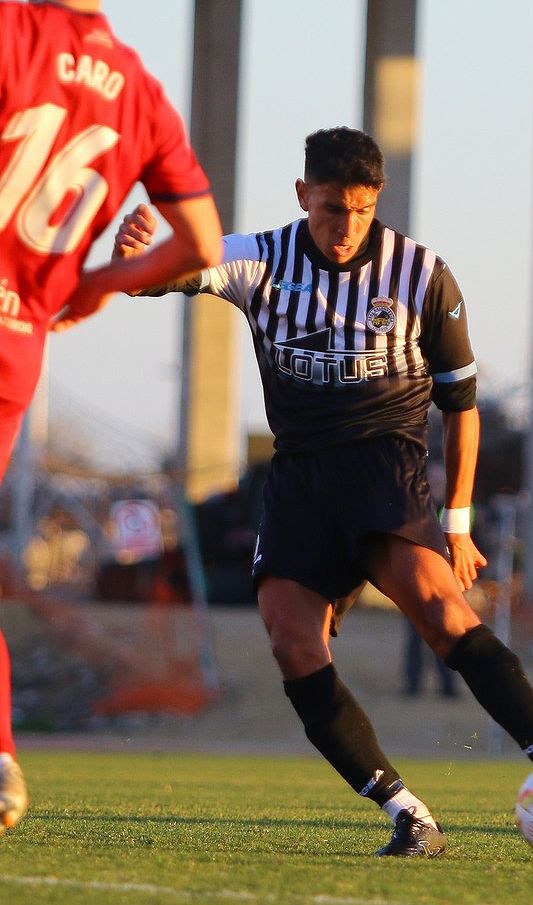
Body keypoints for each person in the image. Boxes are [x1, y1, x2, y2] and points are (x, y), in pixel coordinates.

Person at [113, 126, 533, 861]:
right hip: (298, 481)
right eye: (328, 209)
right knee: (292, 643)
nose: (344, 226)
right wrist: (138, 259)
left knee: (443, 613)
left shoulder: (422, 275)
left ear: (376, 199)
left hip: (384, 469)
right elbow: (167, 272)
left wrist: (458, 523)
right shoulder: (258, 259)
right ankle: (407, 810)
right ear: (302, 196)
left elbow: (463, 406)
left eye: (358, 209)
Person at [0, 0, 224, 835]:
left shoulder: (11, 31)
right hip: (18, 342)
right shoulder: (137, 88)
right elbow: (198, 238)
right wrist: (95, 283)